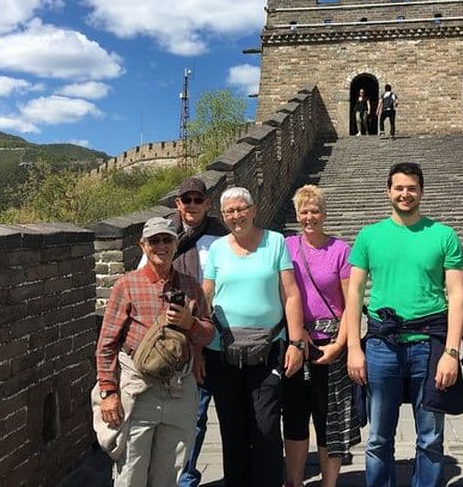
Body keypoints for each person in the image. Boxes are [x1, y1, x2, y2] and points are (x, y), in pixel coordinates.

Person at [344, 162, 463, 487]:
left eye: (412, 188)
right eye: (399, 188)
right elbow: (354, 293)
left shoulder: (443, 235)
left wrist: (452, 352)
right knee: (379, 438)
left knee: (430, 437)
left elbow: (456, 295)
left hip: (429, 345)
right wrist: (354, 348)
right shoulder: (370, 235)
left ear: (421, 191)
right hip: (381, 346)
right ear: (388, 191)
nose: (405, 194)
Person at [96, 217, 215, 486]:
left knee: (169, 474)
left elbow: (208, 333)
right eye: (154, 241)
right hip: (140, 391)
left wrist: (190, 323)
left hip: (179, 390)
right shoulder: (127, 285)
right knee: (132, 473)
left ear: (175, 244)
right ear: (143, 246)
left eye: (167, 240)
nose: (161, 246)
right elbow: (106, 344)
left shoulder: (190, 285)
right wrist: (108, 392)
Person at [202, 186, 306, 487]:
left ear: (253, 209)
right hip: (223, 350)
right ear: (223, 216)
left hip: (269, 348)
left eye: (241, 209)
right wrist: (195, 337)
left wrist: (296, 343)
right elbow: (207, 293)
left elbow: (291, 293)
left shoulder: (275, 242)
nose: (237, 215)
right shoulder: (218, 248)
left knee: (266, 424)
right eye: (230, 212)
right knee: (231, 427)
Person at [282, 185, 360, 487]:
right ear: (297, 214)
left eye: (315, 210)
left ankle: (329, 484)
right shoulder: (286, 247)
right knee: (296, 415)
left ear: (324, 214)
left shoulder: (341, 251)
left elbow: (350, 304)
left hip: (330, 340)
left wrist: (341, 345)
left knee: (331, 418)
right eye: (304, 211)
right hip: (295, 338)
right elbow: (282, 294)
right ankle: (295, 481)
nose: (309, 216)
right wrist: (298, 334)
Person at [171, 177, 229, 487]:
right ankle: (186, 477)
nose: (191, 205)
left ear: (207, 203)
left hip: (222, 335)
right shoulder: (165, 237)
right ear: (178, 204)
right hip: (181, 337)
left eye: (197, 199)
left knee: (233, 411)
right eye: (186, 200)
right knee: (192, 416)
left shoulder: (222, 237)